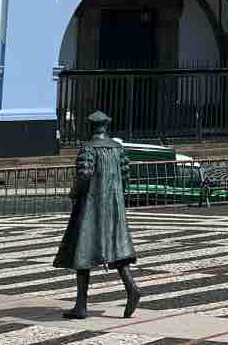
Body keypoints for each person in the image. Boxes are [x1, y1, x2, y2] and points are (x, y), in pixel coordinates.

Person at [54, 110, 140, 319]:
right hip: (114, 207)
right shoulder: (118, 149)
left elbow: (84, 175)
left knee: (82, 254)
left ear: (91, 127)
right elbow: (126, 177)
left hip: (91, 206)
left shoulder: (88, 148)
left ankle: (81, 305)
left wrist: (74, 192)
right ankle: (131, 288)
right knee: (116, 249)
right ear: (106, 127)